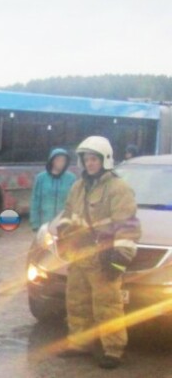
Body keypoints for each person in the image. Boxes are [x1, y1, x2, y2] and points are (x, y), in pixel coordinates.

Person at [56, 136, 141, 369]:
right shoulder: (78, 187)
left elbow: (127, 226)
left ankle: (113, 350)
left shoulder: (118, 188)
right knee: (77, 302)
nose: (89, 163)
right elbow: (66, 215)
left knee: (108, 305)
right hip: (80, 255)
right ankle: (79, 343)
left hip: (103, 258)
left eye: (94, 159)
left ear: (105, 160)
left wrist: (118, 260)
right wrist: (67, 237)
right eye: (86, 159)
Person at [29, 148, 76, 232]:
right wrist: (35, 223)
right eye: (58, 160)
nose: (61, 163)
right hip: (45, 224)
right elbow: (35, 201)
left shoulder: (71, 178)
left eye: (63, 160)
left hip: (64, 224)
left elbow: (75, 202)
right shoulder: (41, 178)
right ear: (52, 161)